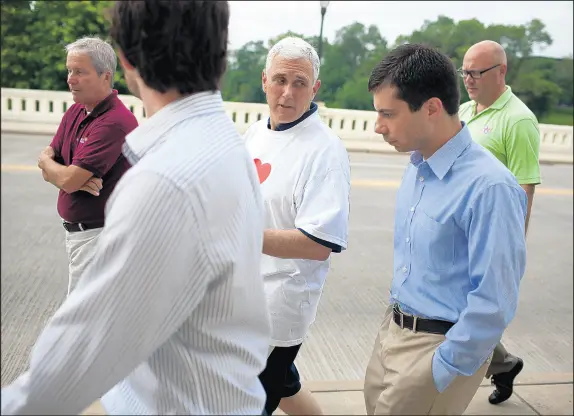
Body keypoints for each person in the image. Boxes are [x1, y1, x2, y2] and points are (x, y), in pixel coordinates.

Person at [1, 1, 271, 414]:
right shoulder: (227, 145)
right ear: (220, 53)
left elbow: (78, 356)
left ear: (126, 60)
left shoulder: (166, 180)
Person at [362, 43, 528, 415]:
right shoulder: (418, 164)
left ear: (432, 108)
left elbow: (495, 299)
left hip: (437, 349)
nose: (378, 127)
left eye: (388, 113)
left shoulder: (490, 187)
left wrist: (444, 367)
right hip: (394, 331)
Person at [243, 36, 351, 415]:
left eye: (300, 83)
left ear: (315, 88)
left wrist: (243, 238)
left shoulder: (325, 151)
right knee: (284, 387)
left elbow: (317, 243)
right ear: (264, 80)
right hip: (238, 295)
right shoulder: (255, 133)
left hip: (277, 306)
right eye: (280, 80)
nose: (287, 93)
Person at [458, 40, 540, 405]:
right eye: (465, 72)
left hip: (489, 237)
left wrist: (509, 251)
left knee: (463, 314)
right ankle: (504, 363)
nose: (469, 80)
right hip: (457, 232)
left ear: (501, 71)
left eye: (477, 72)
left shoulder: (518, 120)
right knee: (455, 309)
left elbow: (524, 188)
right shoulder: (462, 110)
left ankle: (488, 368)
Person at [37, 36, 138, 296]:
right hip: (81, 237)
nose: (70, 79)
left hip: (99, 238)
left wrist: (64, 174)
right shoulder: (76, 111)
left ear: (106, 76)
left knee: (82, 326)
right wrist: (53, 166)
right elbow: (51, 158)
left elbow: (67, 179)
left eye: (80, 72)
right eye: (70, 71)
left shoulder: (115, 122)